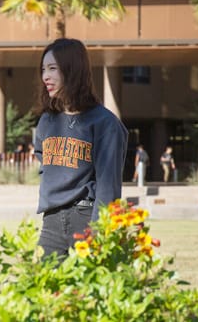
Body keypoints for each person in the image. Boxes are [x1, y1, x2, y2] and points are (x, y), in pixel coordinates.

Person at [33, 38, 128, 258]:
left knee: (84, 291)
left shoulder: (105, 123)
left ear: (72, 70)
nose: (45, 76)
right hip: (52, 220)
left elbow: (108, 186)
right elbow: (43, 160)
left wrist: (97, 233)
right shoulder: (47, 121)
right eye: (43, 69)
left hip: (86, 217)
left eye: (53, 68)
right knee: (45, 288)